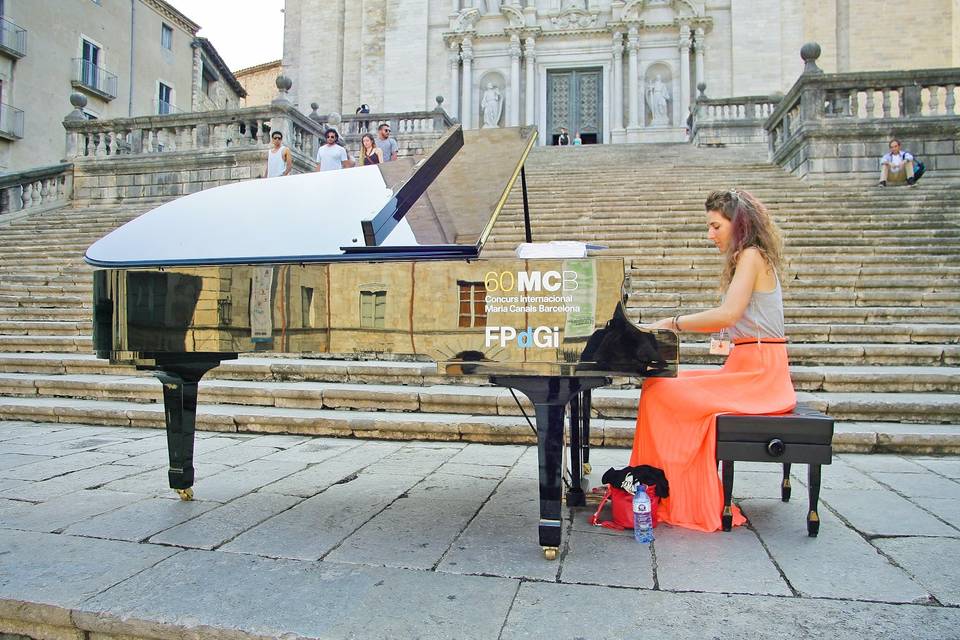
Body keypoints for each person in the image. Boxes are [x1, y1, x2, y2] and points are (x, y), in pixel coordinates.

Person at [629, 189, 796, 532]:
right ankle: (665, 486)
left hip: (761, 374)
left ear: (739, 224)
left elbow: (727, 314)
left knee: (661, 391)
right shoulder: (747, 256)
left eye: (715, 226)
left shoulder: (751, 255)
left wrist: (670, 323)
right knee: (660, 383)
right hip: (746, 366)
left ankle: (675, 493)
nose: (710, 235)